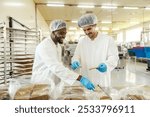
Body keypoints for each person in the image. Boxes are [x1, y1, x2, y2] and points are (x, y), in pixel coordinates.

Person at [31, 19, 95, 91]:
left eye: (65, 33)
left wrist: (70, 70)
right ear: (53, 32)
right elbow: (55, 67)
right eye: (61, 33)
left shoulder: (57, 46)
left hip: (52, 81)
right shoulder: (45, 46)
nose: (64, 36)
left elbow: (59, 64)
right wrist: (80, 78)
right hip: (42, 82)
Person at [71, 14, 119, 87]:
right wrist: (75, 61)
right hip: (86, 79)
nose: (87, 32)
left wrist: (107, 65)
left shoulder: (107, 39)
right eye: (84, 30)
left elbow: (113, 57)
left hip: (102, 79)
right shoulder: (82, 41)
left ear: (95, 25)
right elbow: (76, 55)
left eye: (89, 29)